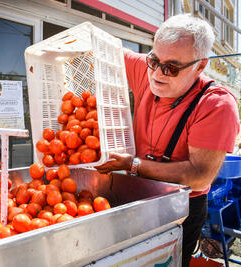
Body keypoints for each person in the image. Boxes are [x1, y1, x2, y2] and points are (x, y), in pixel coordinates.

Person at [96, 14, 239, 266]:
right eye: (154, 60)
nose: (157, 73)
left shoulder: (216, 104)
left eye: (172, 67)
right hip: (134, 195)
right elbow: (104, 49)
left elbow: (199, 176)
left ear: (200, 65)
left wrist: (133, 165)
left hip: (180, 208)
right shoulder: (148, 68)